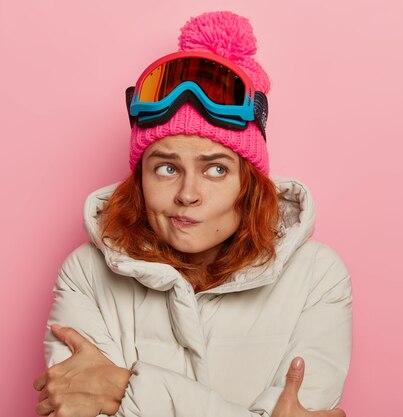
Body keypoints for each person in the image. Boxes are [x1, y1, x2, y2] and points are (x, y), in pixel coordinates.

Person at [32, 11, 352, 417]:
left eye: (215, 169)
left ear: (248, 183)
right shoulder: (86, 275)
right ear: (140, 179)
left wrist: (126, 390)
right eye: (166, 168)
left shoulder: (317, 276)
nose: (187, 194)